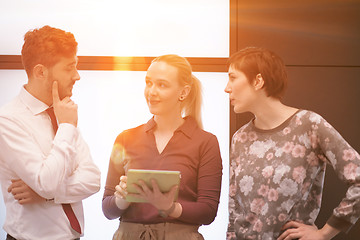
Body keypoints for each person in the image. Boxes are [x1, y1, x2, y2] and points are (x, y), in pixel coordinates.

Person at [225, 47, 360, 240]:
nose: (226, 87)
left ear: (258, 81)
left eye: (232, 77)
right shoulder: (240, 137)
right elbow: (234, 208)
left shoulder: (309, 125)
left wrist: (325, 233)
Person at [102, 54, 223, 240]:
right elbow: (107, 209)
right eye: (148, 82)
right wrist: (122, 199)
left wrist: (171, 208)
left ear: (183, 92)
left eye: (162, 85)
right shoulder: (125, 138)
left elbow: (207, 211)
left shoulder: (205, 142)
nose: (151, 92)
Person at [0, 25, 101, 240]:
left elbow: (92, 179)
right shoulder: (8, 120)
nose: (77, 76)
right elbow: (45, 183)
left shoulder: (62, 112)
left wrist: (46, 196)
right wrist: (66, 127)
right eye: (69, 68)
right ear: (40, 72)